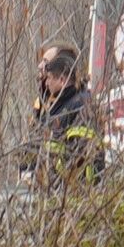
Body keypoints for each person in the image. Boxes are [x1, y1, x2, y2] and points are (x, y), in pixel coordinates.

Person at [27, 40, 100, 182]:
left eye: (46, 62)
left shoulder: (81, 104)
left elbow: (81, 156)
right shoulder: (46, 104)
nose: (41, 66)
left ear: (61, 76)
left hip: (69, 192)